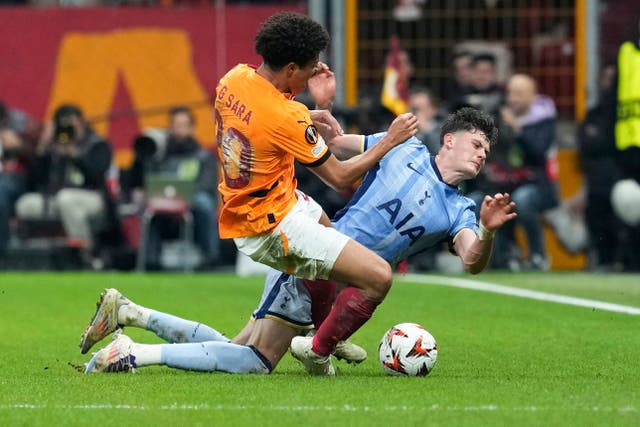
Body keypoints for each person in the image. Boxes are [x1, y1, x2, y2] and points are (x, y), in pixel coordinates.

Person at [81, 107, 517, 375]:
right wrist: (326, 115)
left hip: (330, 275)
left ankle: (131, 312)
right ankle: (135, 352)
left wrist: (489, 230)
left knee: (237, 348)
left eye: (486, 151)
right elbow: (335, 147)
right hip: (314, 255)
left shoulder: (460, 209)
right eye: (476, 144)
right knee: (255, 360)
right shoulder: (404, 149)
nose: (481, 154)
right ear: (449, 140)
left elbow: (471, 260)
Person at [213, 10, 417, 377]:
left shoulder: (234, 78)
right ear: (292, 68)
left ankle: (325, 339)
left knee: (327, 232)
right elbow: (339, 177)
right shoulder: (287, 116)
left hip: (250, 206)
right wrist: (390, 141)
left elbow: (265, 115)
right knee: (378, 276)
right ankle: (319, 350)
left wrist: (313, 110)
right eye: (310, 68)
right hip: (272, 222)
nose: (314, 73)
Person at [14, 104, 114, 267]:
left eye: (72, 124)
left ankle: (85, 254)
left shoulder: (97, 144)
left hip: (93, 199)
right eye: (63, 125)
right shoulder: (54, 148)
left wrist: (75, 154)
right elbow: (34, 180)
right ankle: (29, 258)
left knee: (66, 199)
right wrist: (42, 148)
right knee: (25, 204)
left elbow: (96, 175)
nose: (68, 130)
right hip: (57, 200)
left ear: (82, 123)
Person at [126, 106, 220, 270]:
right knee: (148, 204)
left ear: (192, 128)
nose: (179, 130)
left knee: (204, 202)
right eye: (175, 126)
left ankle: (209, 257)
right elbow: (142, 181)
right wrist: (143, 156)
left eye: (183, 126)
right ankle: (150, 259)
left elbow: (208, 184)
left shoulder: (203, 156)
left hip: (193, 200)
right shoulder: (159, 154)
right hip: (163, 200)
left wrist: (183, 194)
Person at [499, 73, 559, 269]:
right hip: (506, 182)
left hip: (540, 186)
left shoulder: (545, 119)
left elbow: (538, 151)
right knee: (486, 199)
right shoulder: (500, 118)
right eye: (510, 93)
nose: (512, 99)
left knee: (522, 199)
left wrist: (517, 129)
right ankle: (506, 254)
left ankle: (538, 255)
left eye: (518, 93)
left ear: (533, 96)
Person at [0, 101, 41, 255]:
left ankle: (1, 252)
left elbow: (41, 158)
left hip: (13, 176)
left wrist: (19, 147)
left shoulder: (22, 125)